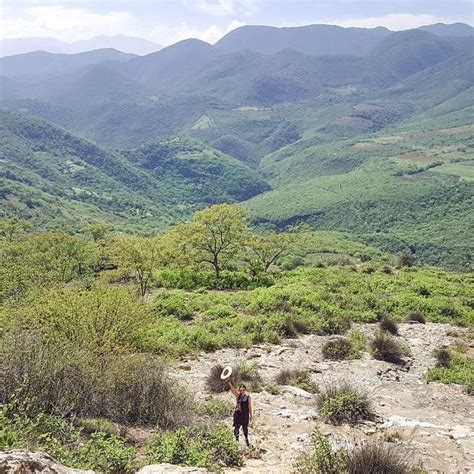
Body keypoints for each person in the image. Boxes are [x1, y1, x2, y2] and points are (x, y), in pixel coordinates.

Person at [228, 380, 252, 447]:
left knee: (245, 429)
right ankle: (236, 441)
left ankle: (247, 440)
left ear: (245, 390)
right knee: (236, 428)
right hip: (238, 414)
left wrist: (251, 416)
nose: (242, 391)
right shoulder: (238, 396)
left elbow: (249, 406)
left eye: (243, 390)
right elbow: (233, 390)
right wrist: (229, 383)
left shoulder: (248, 397)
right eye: (240, 390)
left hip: (245, 415)